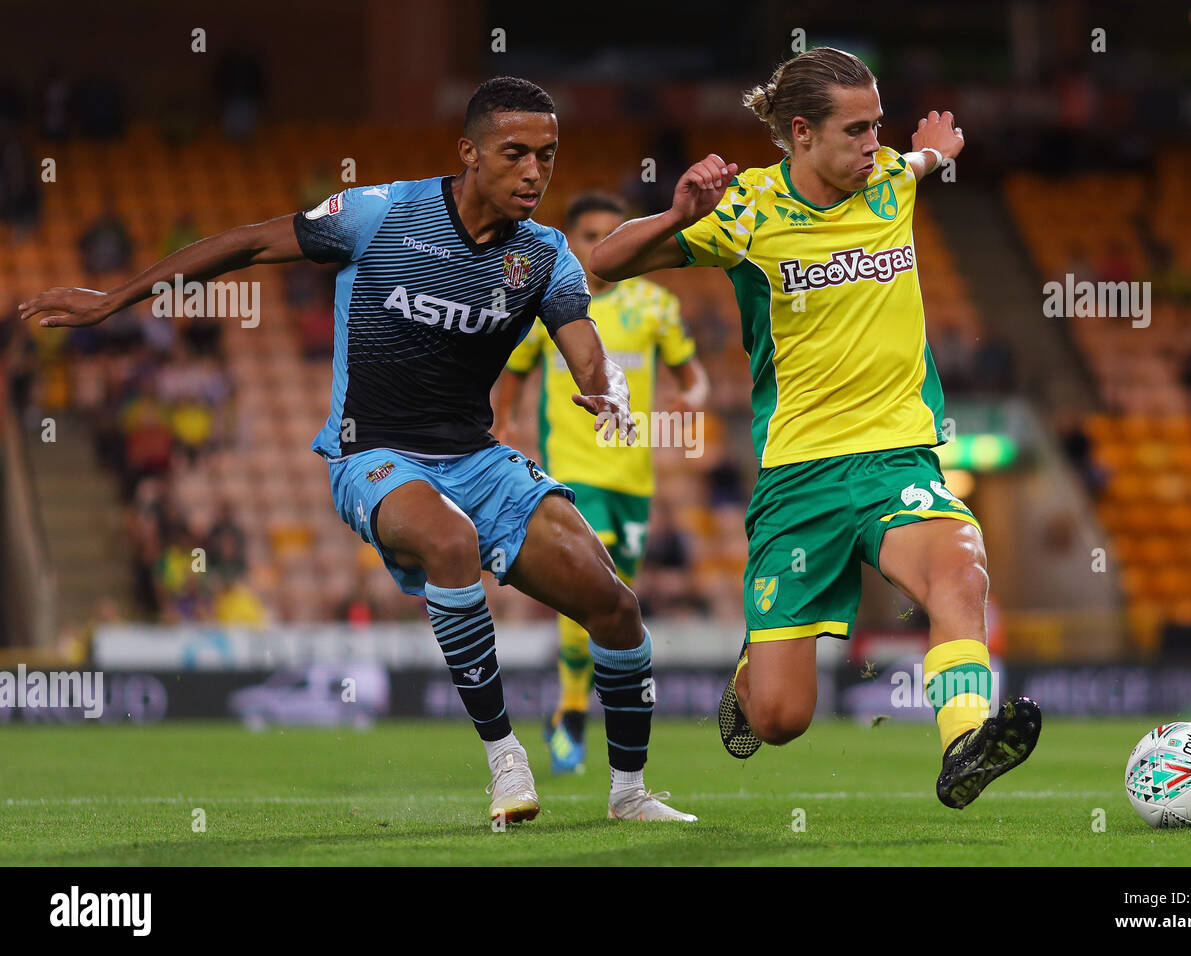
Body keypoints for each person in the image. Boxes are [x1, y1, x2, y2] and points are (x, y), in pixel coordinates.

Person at [21, 76, 696, 826]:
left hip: (476, 460)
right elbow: (244, 242)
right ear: (469, 152)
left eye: (548, 155)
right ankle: (505, 760)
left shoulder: (544, 255)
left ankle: (629, 793)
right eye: (515, 154)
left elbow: (585, 348)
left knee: (616, 604)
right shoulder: (379, 213)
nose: (534, 172)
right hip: (373, 454)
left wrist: (608, 391)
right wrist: (115, 299)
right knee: (451, 542)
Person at [591, 48, 1041, 810]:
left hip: (897, 458)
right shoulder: (744, 215)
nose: (876, 146)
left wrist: (939, 148)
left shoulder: (892, 177)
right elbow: (601, 263)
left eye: (881, 128)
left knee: (961, 569)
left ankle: (964, 740)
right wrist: (677, 216)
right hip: (798, 478)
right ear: (801, 133)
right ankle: (750, 677)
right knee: (780, 718)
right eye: (857, 131)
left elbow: (920, 158)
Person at [495, 191, 709, 774]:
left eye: (613, 234)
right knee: (592, 581)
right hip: (573, 473)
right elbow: (510, 379)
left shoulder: (656, 305)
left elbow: (695, 380)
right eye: (589, 235)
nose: (601, 246)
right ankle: (569, 707)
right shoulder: (550, 303)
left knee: (619, 605)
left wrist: (688, 397)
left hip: (633, 481)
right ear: (569, 241)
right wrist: (505, 428)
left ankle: (581, 709)